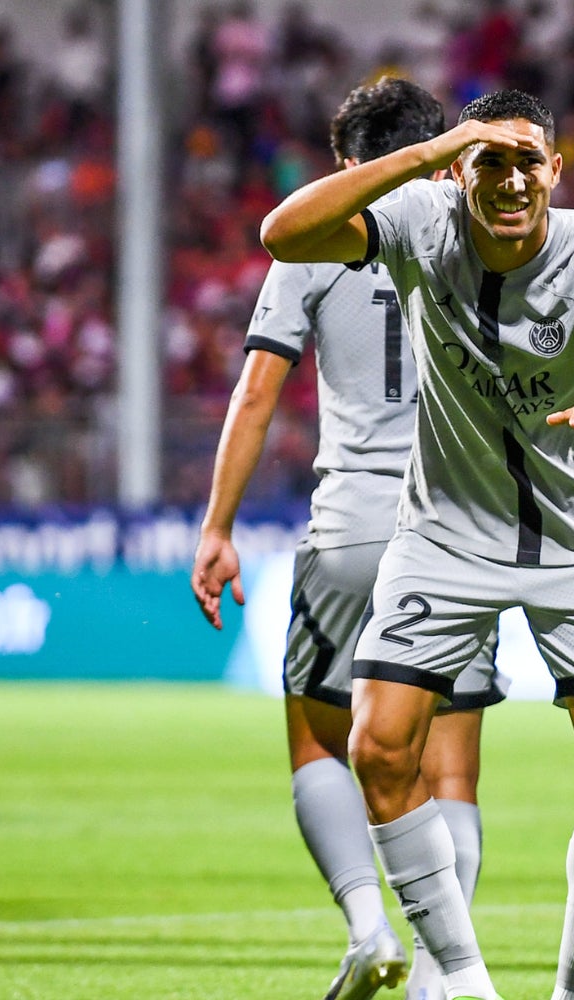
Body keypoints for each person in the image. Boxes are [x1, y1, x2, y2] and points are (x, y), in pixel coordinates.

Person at [262, 89, 574, 1000]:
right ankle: (465, 980)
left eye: (530, 159)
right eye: (490, 160)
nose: (513, 178)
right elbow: (284, 234)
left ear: (556, 171)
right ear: (459, 169)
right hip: (444, 531)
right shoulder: (420, 218)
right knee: (376, 745)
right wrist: (423, 157)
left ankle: (573, 994)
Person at [191, 77, 504, 1000]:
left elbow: (256, 393)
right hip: (462, 524)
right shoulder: (481, 230)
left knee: (319, 743)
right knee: (449, 760)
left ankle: (372, 929)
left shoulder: (320, 235)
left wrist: (217, 527)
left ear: (346, 163)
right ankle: (447, 974)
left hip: (356, 522)